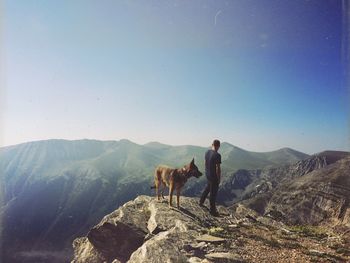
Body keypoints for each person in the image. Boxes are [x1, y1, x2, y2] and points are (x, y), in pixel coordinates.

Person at [199, 139, 221, 216]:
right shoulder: (217, 155)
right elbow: (218, 168)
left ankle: (201, 201)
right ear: (218, 146)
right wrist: (219, 178)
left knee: (208, 187)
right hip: (213, 176)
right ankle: (212, 211)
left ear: (212, 145)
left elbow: (205, 162)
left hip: (207, 174)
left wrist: (206, 171)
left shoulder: (207, 152)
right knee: (213, 194)